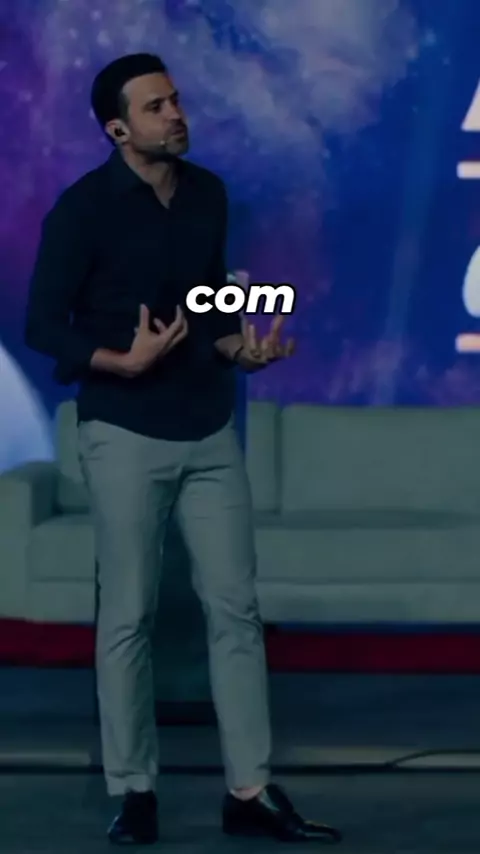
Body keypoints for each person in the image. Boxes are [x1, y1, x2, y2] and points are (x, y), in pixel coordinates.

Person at [25, 53, 342, 846]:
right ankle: (134, 791)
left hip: (208, 428)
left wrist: (242, 348)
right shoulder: (83, 210)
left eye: (175, 99)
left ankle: (250, 790)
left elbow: (208, 305)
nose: (175, 114)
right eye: (155, 106)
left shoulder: (207, 194)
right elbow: (42, 323)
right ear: (117, 129)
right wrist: (117, 360)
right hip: (124, 431)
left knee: (236, 609)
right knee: (128, 616)